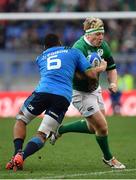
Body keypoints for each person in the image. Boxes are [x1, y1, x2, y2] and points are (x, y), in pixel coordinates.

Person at [6, 33, 107, 171]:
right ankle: (22, 157)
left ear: (44, 47)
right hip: (62, 97)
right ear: (60, 43)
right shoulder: (73, 52)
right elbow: (90, 74)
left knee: (21, 120)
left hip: (42, 92)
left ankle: (16, 154)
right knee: (42, 135)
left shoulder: (40, 58)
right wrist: (101, 68)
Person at [50, 17, 126, 169]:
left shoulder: (103, 46)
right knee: (102, 127)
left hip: (95, 89)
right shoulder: (78, 48)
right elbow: (78, 74)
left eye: (102, 34)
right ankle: (109, 158)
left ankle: (60, 129)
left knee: (94, 128)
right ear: (89, 34)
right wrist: (99, 69)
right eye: (98, 34)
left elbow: (111, 67)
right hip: (80, 92)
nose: (101, 37)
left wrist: (113, 82)